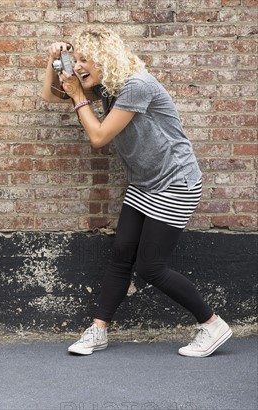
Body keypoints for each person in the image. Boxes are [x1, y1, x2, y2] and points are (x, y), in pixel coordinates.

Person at [41, 26, 232, 357]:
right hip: (145, 183)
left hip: (176, 183)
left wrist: (77, 95)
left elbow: (99, 136)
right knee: (121, 256)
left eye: (85, 60)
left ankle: (213, 324)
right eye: (77, 59)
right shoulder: (107, 84)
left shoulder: (136, 85)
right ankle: (98, 331)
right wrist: (53, 62)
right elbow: (50, 95)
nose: (79, 66)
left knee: (150, 267)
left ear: (105, 59)